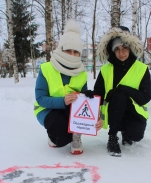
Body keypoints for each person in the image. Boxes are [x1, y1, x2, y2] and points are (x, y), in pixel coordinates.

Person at [34, 19, 102, 155]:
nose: (72, 55)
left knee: (77, 115)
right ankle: (54, 137)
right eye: (68, 50)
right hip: (47, 110)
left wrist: (95, 116)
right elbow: (40, 99)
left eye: (75, 52)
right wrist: (62, 101)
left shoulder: (81, 73)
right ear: (61, 49)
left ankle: (75, 137)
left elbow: (84, 103)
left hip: (69, 110)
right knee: (60, 138)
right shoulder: (46, 68)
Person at [85, 26, 151, 157]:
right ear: (112, 51)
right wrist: (91, 95)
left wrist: (123, 89)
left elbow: (145, 97)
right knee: (119, 97)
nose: (121, 53)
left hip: (134, 112)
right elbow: (99, 92)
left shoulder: (142, 69)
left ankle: (126, 132)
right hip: (113, 112)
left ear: (130, 48)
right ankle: (112, 137)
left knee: (136, 135)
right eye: (117, 49)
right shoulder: (105, 70)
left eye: (124, 48)